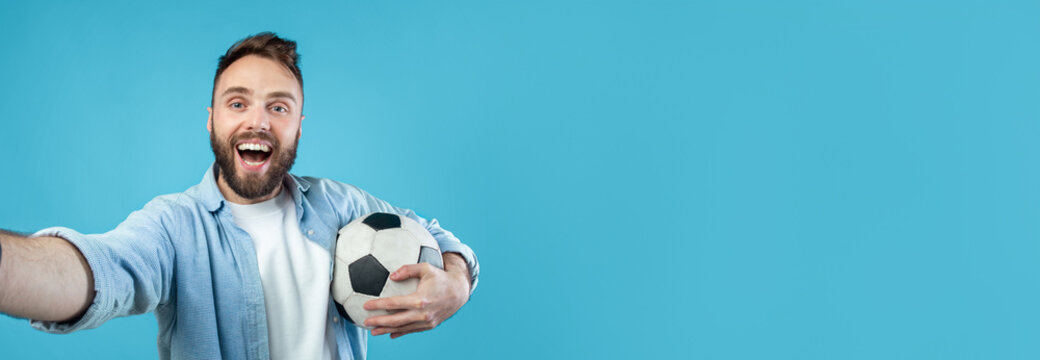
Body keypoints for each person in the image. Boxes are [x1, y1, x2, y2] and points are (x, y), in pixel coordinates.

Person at [0, 32, 479, 360]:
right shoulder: (174, 227)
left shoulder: (341, 205)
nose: (258, 121)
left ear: (297, 126)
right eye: (238, 103)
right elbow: (102, 269)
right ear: (212, 120)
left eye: (279, 106)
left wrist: (456, 282)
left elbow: (436, 236)